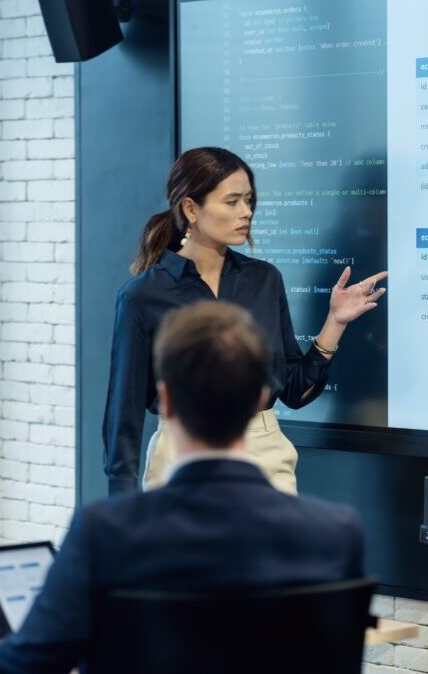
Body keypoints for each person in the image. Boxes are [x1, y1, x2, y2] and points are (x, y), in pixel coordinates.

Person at [0, 301, 364, 673]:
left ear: (166, 400)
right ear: (257, 399)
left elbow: (25, 665)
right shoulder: (335, 533)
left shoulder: (107, 532)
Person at [104, 147, 388, 496]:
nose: (246, 212)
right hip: (179, 454)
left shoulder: (264, 280)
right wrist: (122, 506)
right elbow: (124, 415)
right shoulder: (142, 296)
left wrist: (335, 322)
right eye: (232, 201)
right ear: (191, 209)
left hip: (264, 453)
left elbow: (294, 392)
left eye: (249, 200)